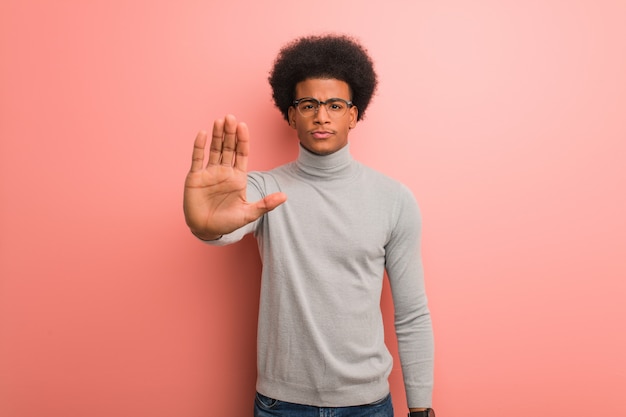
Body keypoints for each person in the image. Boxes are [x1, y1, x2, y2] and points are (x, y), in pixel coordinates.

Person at [183, 34, 435, 417]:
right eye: (309, 105)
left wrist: (421, 409)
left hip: (366, 405)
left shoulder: (394, 199)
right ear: (290, 114)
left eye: (335, 105)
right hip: (280, 404)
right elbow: (223, 225)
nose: (322, 116)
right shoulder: (263, 189)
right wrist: (205, 225)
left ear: (354, 114)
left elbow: (412, 312)